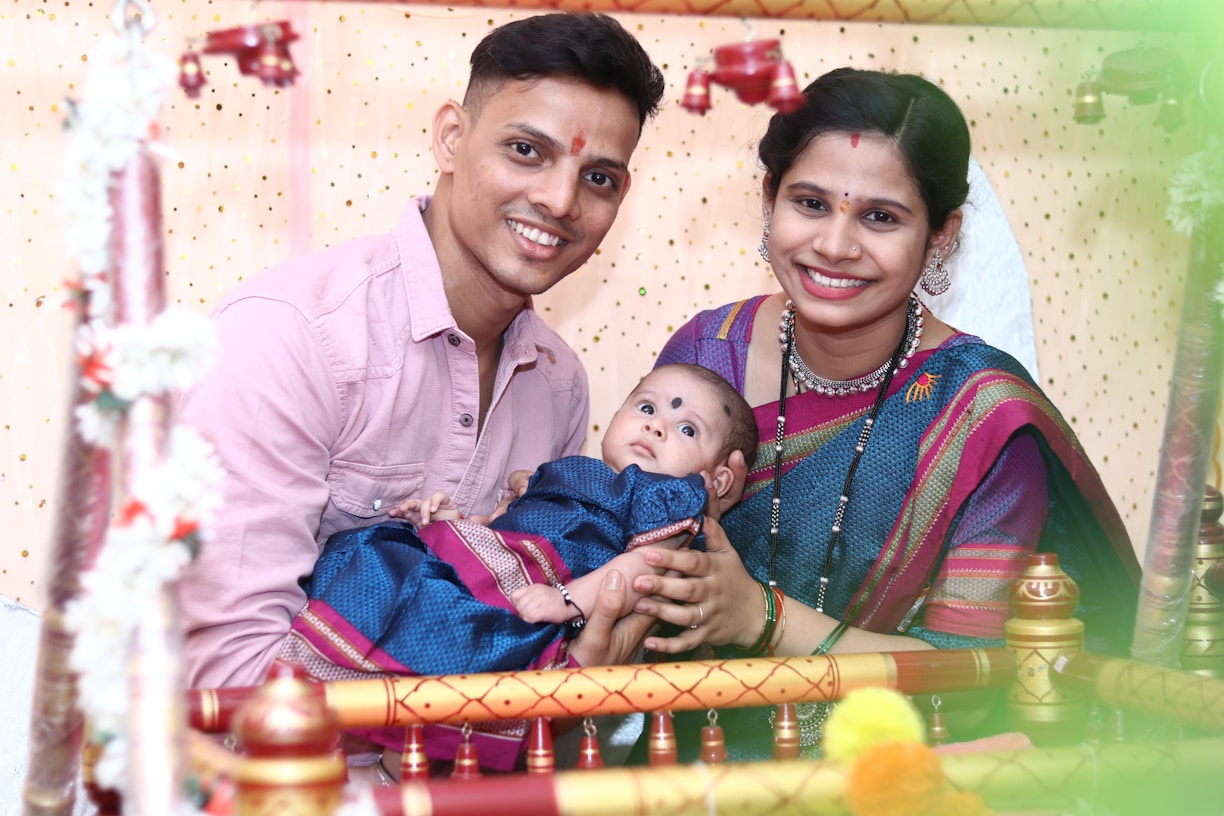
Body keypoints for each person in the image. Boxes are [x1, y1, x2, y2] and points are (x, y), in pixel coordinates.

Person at [626, 68, 1141, 761]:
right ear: (769, 199)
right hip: (684, 775)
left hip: (886, 780)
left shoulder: (979, 412)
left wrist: (762, 618)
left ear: (940, 236)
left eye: (880, 217)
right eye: (810, 203)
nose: (835, 245)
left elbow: (971, 679)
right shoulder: (704, 357)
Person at [176, 13, 667, 693]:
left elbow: (523, 630)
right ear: (450, 138)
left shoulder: (558, 385)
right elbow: (226, 681)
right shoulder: (288, 336)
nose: (559, 200)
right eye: (526, 150)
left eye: (599, 178)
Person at [280, 363, 757, 770]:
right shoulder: (572, 468)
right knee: (376, 555)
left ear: (716, 479)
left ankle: (393, 754)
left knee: (456, 640)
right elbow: (508, 521)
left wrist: (569, 599)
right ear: (616, 416)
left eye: (687, 429)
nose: (656, 427)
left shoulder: (664, 496)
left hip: (535, 588)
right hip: (492, 560)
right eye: (647, 408)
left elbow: (644, 569)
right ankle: (349, 710)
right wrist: (452, 522)